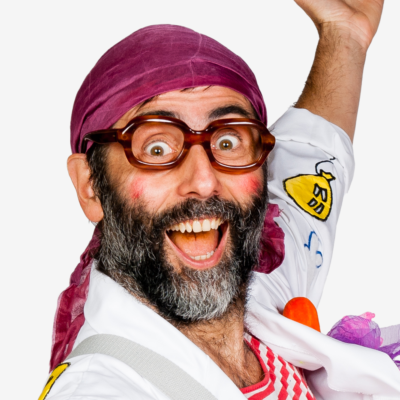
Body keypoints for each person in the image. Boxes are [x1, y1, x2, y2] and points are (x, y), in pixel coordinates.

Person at [39, 1, 400, 399]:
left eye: (227, 141)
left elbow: (312, 153)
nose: (205, 181)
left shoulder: (266, 272)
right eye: (157, 149)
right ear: (91, 185)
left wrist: (344, 36)